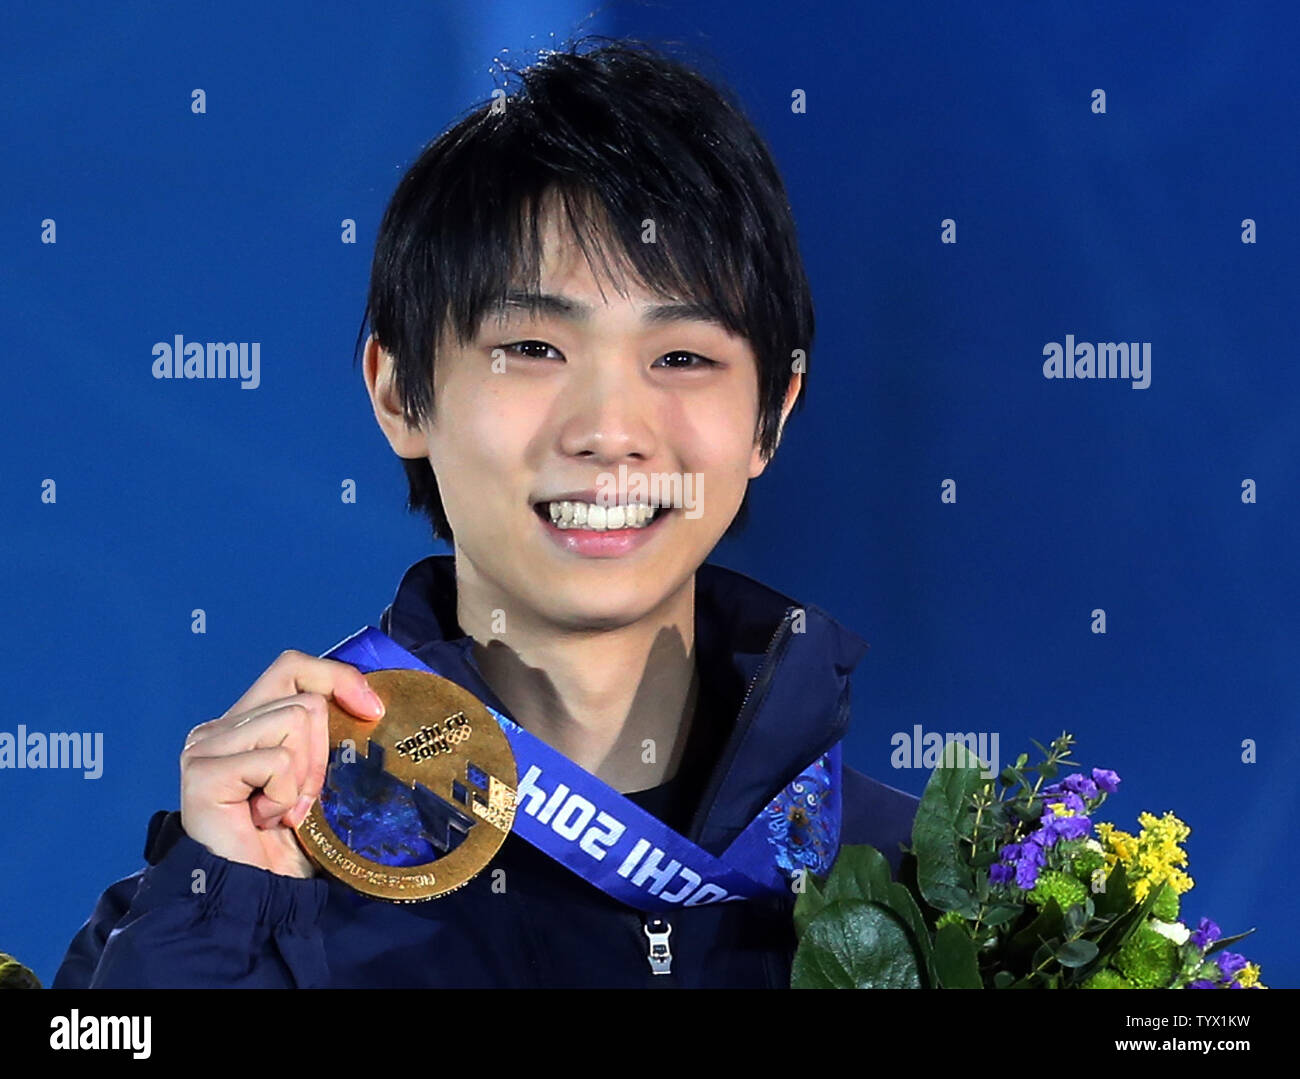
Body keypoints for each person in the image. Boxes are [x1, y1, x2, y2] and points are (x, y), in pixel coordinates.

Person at [53, 37, 917, 989]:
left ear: (772, 416)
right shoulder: (242, 882)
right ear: (399, 392)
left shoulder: (925, 894)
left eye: (681, 357)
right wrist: (219, 922)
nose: (610, 430)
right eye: (534, 347)